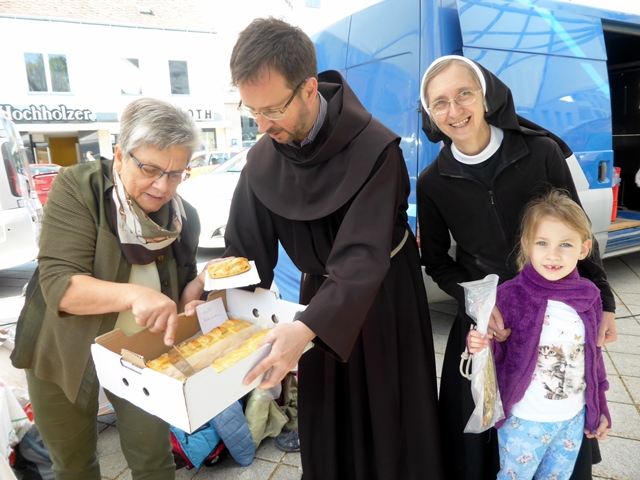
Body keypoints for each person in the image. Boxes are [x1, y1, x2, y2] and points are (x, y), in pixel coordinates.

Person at [223, 17, 444, 480]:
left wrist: (305, 329)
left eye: (271, 110)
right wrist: (211, 306)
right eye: (251, 112)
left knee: (389, 421)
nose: (262, 126)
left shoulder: (376, 148)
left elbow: (363, 255)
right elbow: (243, 255)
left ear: (308, 89)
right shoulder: (262, 159)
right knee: (328, 427)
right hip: (316, 306)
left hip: (383, 300)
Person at [416, 55, 617, 480]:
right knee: (479, 444)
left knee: (557, 421)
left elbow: (579, 233)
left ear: (485, 96)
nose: (454, 111)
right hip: (488, 320)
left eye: (463, 94)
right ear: (430, 114)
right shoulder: (433, 181)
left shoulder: (538, 152)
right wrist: (479, 302)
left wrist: (606, 302)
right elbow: (436, 260)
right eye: (440, 103)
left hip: (555, 312)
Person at [11, 97, 212, 480]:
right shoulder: (78, 189)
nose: (162, 185)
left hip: (141, 355)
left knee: (154, 461)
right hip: (61, 349)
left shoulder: (186, 216)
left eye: (175, 173)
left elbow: (181, 298)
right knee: (74, 466)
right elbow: (59, 287)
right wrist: (134, 295)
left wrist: (200, 284)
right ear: (120, 155)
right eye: (151, 168)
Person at [466, 190, 611, 480]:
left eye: (565, 244)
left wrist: (600, 408)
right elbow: (494, 356)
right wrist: (479, 344)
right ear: (526, 245)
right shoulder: (510, 296)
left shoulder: (590, 296)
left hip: (572, 419)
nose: (553, 254)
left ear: (583, 249)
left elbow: (593, 361)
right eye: (542, 243)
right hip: (525, 420)